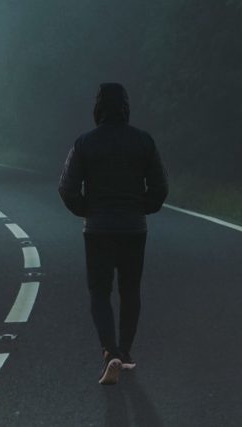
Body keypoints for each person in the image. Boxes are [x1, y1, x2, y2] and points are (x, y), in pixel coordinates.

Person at [58, 82, 168, 385]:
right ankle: (127, 351)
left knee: (99, 291)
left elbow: (66, 187)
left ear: (98, 109)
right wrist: (141, 207)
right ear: (126, 108)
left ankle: (110, 352)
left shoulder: (84, 143)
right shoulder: (143, 141)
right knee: (130, 289)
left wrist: (86, 210)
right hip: (134, 227)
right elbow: (160, 187)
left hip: (97, 229)